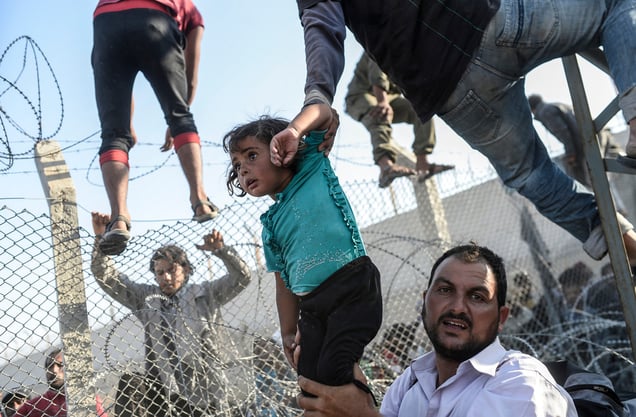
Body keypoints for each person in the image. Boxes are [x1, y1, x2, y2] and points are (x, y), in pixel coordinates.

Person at [279, 0, 636, 267]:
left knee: (528, 173)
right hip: (485, 20)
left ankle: (610, 231)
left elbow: (321, 27)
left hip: (447, 90)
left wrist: (317, 96)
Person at [296, 243, 578, 417]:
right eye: (444, 290)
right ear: (424, 302)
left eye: (477, 297)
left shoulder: (521, 383)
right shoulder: (411, 383)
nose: (457, 307)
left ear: (501, 317)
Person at [222, 112, 383, 392]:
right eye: (237, 165)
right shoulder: (270, 227)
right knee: (309, 378)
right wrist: (287, 330)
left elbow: (322, 114)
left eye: (251, 156)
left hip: (351, 289)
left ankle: (363, 409)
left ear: (282, 149)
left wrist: (295, 130)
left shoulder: (311, 169)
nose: (242, 170)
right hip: (312, 309)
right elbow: (283, 284)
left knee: (336, 367)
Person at [90, 212, 251, 416]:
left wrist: (222, 251)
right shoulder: (147, 299)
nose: (165, 277)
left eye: (171, 270)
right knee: (131, 384)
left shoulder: (204, 295)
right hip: (164, 392)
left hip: (204, 391)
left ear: (185, 270)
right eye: (159, 272)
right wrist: (100, 240)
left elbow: (242, 277)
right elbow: (108, 278)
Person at [91, 0, 218, 256]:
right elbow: (190, 74)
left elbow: (123, 79)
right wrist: (179, 114)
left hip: (106, 20)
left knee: (114, 135)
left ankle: (118, 218)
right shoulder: (191, 12)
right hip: (156, 17)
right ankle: (200, 199)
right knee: (181, 117)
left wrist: (127, 124)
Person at [344, 52, 454, 188]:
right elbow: (377, 70)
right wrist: (382, 101)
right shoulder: (381, 41)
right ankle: (386, 167)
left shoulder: (413, 53)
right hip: (360, 95)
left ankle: (422, 163)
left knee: (421, 109)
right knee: (381, 113)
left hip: (390, 97)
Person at [15, 349, 107, 417]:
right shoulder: (33, 405)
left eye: (60, 365)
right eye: (49, 366)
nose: (54, 370)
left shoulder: (87, 398)